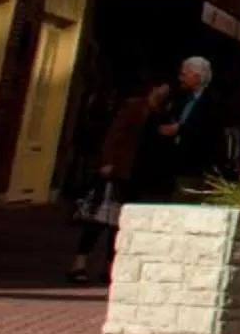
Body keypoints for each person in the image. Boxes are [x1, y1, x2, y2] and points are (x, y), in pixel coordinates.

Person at [69, 82, 169, 284]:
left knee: (119, 224)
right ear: (153, 88)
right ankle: (79, 263)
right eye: (162, 88)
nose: (164, 93)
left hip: (138, 174)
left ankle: (110, 266)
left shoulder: (163, 112)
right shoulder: (134, 106)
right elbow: (115, 132)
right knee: (98, 219)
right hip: (119, 170)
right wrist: (108, 161)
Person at [131, 55, 223, 203]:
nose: (180, 78)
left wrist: (181, 129)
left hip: (194, 171)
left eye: (184, 74)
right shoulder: (180, 98)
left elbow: (209, 132)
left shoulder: (213, 102)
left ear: (196, 76)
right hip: (171, 168)